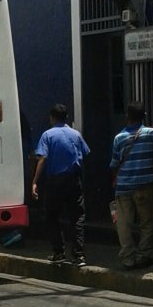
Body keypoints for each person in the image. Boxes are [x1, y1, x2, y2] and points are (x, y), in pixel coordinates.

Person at [32, 103, 90, 266]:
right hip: (73, 179)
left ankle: (59, 252)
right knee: (77, 217)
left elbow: (42, 158)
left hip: (55, 181)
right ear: (66, 117)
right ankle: (79, 255)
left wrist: (35, 181)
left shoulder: (47, 135)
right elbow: (85, 154)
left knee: (52, 216)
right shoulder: (76, 134)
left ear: (52, 117)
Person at [110, 102, 153, 270]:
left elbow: (114, 163)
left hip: (123, 186)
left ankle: (128, 258)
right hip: (144, 184)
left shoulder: (119, 138)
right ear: (144, 115)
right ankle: (143, 255)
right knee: (147, 222)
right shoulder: (152, 134)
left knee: (124, 224)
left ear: (127, 117)